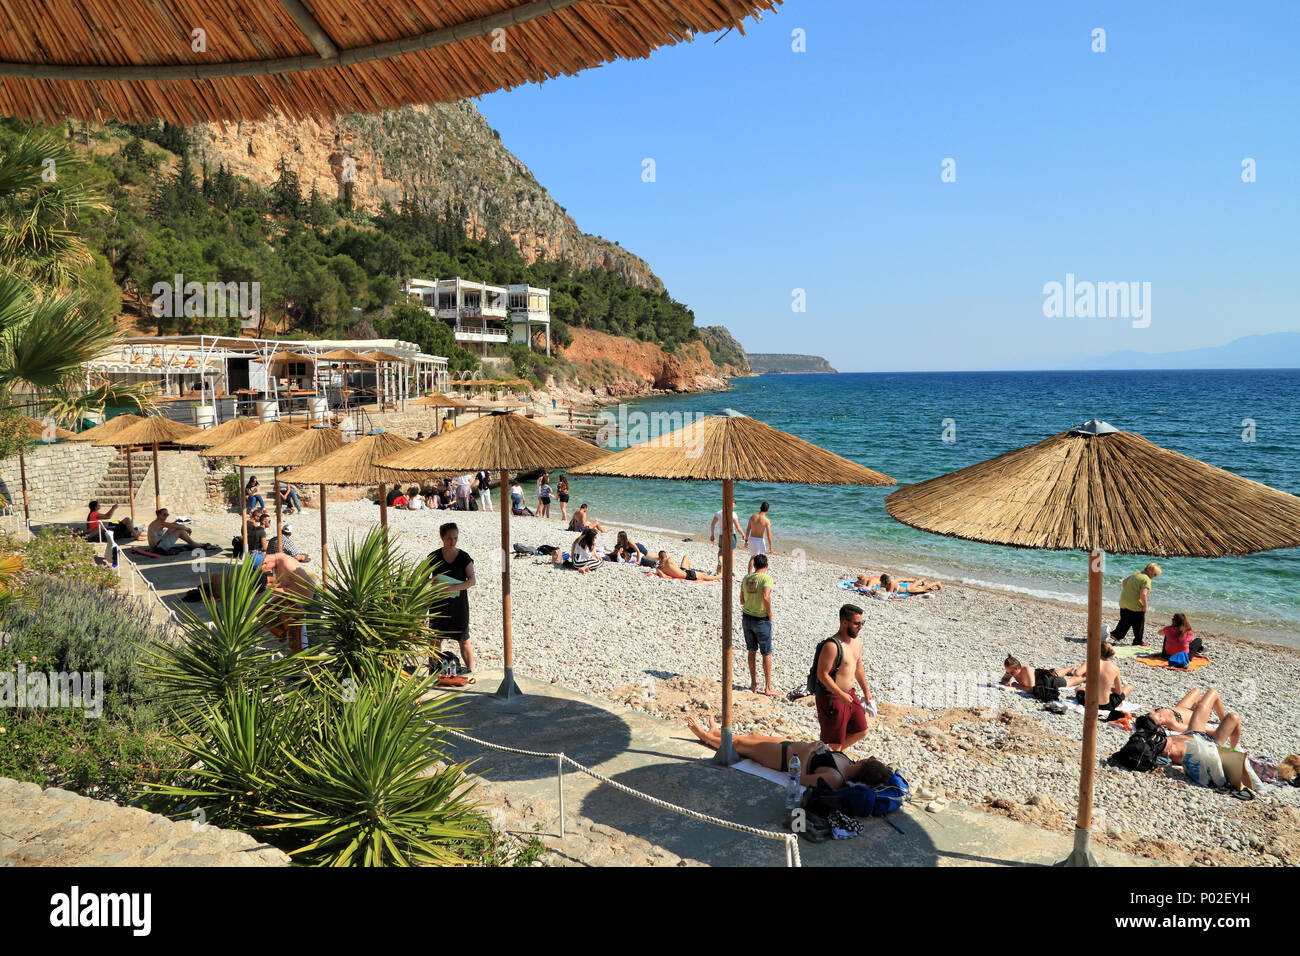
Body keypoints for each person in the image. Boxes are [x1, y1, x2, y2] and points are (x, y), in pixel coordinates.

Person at [685, 716, 895, 789]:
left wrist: (808, 752)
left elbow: (799, 779)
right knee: (752, 736)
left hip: (783, 759)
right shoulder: (847, 763)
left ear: (865, 766)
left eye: (869, 760)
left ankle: (704, 736)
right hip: (790, 745)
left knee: (739, 744)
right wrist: (819, 747)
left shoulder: (834, 778)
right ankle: (715, 732)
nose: (868, 757)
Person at [813, 604, 873, 751]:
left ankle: (832, 755)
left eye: (862, 623)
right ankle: (830, 757)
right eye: (857, 623)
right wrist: (840, 694)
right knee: (834, 742)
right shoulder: (832, 646)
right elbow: (822, 674)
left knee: (861, 730)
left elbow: (858, 668)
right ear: (844, 622)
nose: (861, 627)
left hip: (850, 694)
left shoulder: (857, 642)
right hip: (832, 697)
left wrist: (866, 692)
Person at [428, 522, 476, 675]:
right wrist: (432, 581)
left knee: (463, 639)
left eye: (455, 538)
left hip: (458, 605)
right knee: (435, 639)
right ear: (442, 537)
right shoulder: (433, 557)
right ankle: (433, 671)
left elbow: (472, 580)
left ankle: (471, 672)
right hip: (438, 604)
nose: (453, 541)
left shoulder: (463, 557)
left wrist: (453, 588)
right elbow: (420, 580)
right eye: (449, 538)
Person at [741, 553, 777, 697]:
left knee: (751, 650)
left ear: (754, 565)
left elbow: (742, 600)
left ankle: (753, 684)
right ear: (766, 565)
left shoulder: (746, 578)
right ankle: (768, 687)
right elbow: (765, 596)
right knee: (766, 652)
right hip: (761, 619)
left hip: (747, 617)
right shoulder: (767, 578)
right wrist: (769, 612)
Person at [1059, 641, 1133, 710]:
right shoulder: (1115, 668)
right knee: (1128, 687)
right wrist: (1109, 688)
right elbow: (1118, 692)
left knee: (1078, 688)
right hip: (1106, 705)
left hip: (1088, 703)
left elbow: (1077, 673)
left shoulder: (1091, 661)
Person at [1111, 562, 1162, 646]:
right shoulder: (1146, 580)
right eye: (1155, 575)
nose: (1154, 577)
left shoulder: (1136, 574)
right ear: (1152, 573)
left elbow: (1124, 582)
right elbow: (1143, 594)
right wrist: (1145, 606)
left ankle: (1116, 635)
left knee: (1125, 620)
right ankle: (1138, 640)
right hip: (1134, 605)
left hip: (1124, 601)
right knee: (1139, 621)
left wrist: (1130, 593)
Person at [1150, 688, 1229, 735]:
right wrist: (1219, 731)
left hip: (1181, 708)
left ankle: (1203, 705)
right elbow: (1193, 729)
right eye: (1160, 717)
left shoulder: (1152, 717)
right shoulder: (1173, 724)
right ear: (1162, 725)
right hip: (1197, 716)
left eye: (1155, 713)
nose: (1157, 714)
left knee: (1196, 691)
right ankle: (1224, 720)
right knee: (1213, 693)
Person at [147, 508, 219, 552]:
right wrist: (187, 528)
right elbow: (174, 526)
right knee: (180, 530)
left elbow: (172, 525)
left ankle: (194, 543)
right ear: (159, 515)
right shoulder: (160, 523)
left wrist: (177, 525)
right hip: (158, 548)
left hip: (155, 546)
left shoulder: (154, 523)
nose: (166, 516)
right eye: (164, 514)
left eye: (167, 514)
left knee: (176, 526)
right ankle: (193, 544)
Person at [710, 506, 747, 575]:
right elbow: (738, 527)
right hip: (731, 535)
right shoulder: (733, 514)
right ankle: (730, 571)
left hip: (722, 535)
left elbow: (712, 524)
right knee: (731, 553)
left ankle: (720, 561)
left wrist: (712, 535)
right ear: (734, 505)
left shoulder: (718, 513)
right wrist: (743, 535)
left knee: (721, 551)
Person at [745, 502, 774, 574]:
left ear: (760, 508)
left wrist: (746, 541)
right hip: (760, 540)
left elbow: (748, 529)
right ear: (767, 510)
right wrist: (771, 547)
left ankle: (749, 575)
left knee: (752, 557)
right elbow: (768, 535)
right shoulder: (766, 520)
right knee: (762, 559)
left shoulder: (752, 517)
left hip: (752, 539)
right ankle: (761, 574)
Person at [654, 551, 720, 582]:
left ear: (659, 558)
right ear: (666, 555)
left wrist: (670, 575)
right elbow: (675, 567)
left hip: (683, 571)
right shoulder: (669, 559)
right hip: (687, 575)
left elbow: (663, 576)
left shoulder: (659, 568)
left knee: (686, 557)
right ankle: (721, 576)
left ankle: (690, 569)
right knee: (704, 576)